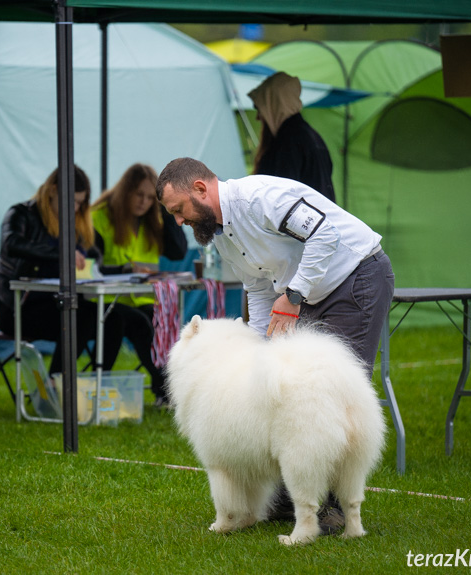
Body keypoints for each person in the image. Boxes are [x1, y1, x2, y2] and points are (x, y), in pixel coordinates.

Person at [156, 157, 394, 531]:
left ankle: (329, 510)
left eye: (179, 210)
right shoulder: (223, 237)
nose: (179, 222)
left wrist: (295, 294)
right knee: (292, 392)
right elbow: (258, 288)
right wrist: (263, 347)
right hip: (310, 292)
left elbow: (324, 234)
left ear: (201, 189)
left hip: (355, 276)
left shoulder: (261, 198)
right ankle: (294, 496)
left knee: (326, 391)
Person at [0, 165, 125, 376]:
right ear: (53, 190)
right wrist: (62, 252)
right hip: (17, 308)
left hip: (61, 303)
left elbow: (94, 263)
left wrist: (125, 269)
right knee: (81, 316)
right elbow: (11, 243)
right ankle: (57, 385)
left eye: (80, 203)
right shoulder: (20, 213)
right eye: (70, 201)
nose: (75, 209)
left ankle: (98, 385)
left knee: (115, 317)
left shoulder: (76, 224)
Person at [90, 163, 187, 406]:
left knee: (164, 324)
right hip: (104, 300)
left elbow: (178, 252)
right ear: (125, 192)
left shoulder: (153, 217)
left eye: (149, 197)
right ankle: (166, 391)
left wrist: (165, 208)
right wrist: (125, 269)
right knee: (137, 323)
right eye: (138, 195)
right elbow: (90, 267)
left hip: (143, 297)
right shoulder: (99, 217)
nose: (144, 202)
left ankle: (167, 391)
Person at [248, 72, 336, 203]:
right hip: (322, 220)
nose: (258, 117)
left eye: (260, 108)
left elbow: (276, 199)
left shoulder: (287, 142)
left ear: (274, 104)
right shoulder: (312, 136)